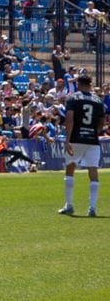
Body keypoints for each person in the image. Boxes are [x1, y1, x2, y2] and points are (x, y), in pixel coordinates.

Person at [60, 74, 104, 217]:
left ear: (78, 83)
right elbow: (101, 122)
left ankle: (69, 205)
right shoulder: (98, 100)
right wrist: (93, 133)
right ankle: (92, 208)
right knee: (93, 172)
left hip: (76, 138)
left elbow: (69, 119)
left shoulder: (72, 98)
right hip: (92, 140)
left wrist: (67, 140)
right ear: (90, 84)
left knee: (70, 169)